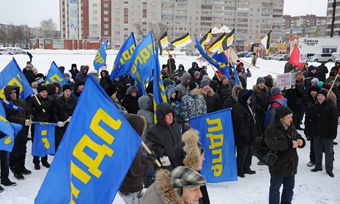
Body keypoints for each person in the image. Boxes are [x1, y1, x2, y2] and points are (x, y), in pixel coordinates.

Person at [265, 106, 305, 204]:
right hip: (278, 165)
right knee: (275, 190)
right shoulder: (271, 129)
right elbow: (273, 144)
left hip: (291, 164)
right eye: (288, 117)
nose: (291, 119)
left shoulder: (290, 125)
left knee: (289, 189)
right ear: (281, 118)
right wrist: (290, 144)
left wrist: (301, 141)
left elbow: (297, 135)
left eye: (291, 117)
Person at [118, 114, 156, 204]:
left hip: (123, 185)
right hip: (132, 188)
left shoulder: (122, 141)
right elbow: (137, 170)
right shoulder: (134, 146)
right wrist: (151, 160)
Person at [171, 128, 210, 204]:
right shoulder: (181, 186)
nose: (203, 158)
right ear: (192, 160)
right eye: (200, 156)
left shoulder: (196, 177)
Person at [2, 86, 32, 180]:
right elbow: (8, 117)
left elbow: (28, 111)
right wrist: (23, 120)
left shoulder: (22, 102)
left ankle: (22, 166)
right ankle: (15, 169)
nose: (13, 95)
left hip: (23, 129)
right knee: (15, 150)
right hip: (13, 130)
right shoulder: (5, 105)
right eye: (11, 93)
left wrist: (28, 118)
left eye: (14, 92)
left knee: (23, 148)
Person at [145, 103, 181, 173]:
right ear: (162, 116)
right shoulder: (154, 131)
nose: (171, 117)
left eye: (171, 114)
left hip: (178, 164)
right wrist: (162, 153)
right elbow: (150, 148)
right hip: (164, 167)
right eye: (168, 115)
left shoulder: (175, 127)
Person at [141, 166, 206, 204]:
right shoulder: (155, 201)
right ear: (179, 190)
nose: (200, 195)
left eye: (199, 188)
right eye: (194, 189)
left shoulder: (178, 197)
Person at [232, 89, 259, 178]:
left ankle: (247, 168)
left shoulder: (249, 106)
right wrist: (245, 135)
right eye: (248, 96)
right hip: (243, 137)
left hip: (250, 134)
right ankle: (240, 170)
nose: (250, 98)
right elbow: (240, 124)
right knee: (242, 154)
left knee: (249, 153)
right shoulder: (239, 108)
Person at [311, 90, 338, 177]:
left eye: (322, 96)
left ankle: (329, 168)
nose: (320, 97)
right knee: (317, 150)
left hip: (327, 133)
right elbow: (312, 120)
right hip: (317, 132)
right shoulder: (315, 106)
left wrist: (333, 134)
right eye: (319, 95)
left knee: (328, 151)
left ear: (325, 97)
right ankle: (318, 166)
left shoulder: (331, 107)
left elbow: (334, 122)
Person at [27, 85, 53, 170]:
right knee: (37, 142)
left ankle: (44, 160)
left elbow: (52, 111)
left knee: (45, 141)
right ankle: (36, 161)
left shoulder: (50, 100)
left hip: (46, 124)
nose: (44, 93)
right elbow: (30, 111)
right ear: (39, 93)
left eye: (45, 92)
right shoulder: (33, 100)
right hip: (37, 124)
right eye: (42, 92)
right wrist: (38, 108)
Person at [53, 84, 78, 151]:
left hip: (71, 124)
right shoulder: (58, 100)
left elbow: (77, 111)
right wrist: (57, 121)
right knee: (59, 142)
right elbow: (55, 112)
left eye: (69, 91)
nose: (68, 93)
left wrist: (73, 117)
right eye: (66, 91)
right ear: (63, 92)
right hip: (61, 125)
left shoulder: (75, 100)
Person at [304, 85, 320, 167]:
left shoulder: (322, 101)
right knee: (312, 144)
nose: (313, 93)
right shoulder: (309, 101)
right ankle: (312, 159)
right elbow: (307, 116)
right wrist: (306, 128)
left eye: (315, 91)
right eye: (311, 91)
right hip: (312, 126)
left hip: (321, 127)